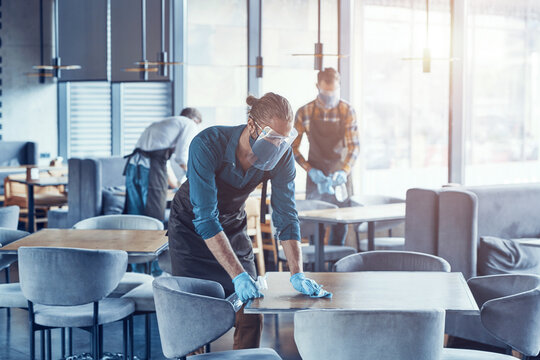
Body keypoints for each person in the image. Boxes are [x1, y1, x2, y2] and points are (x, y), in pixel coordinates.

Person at [168, 93, 326, 350]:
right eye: (273, 137)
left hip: (232, 224)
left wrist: (297, 272)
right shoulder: (208, 144)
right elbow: (206, 218)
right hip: (191, 227)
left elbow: (286, 215)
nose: (278, 146)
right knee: (194, 314)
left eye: (284, 139)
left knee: (251, 310)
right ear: (251, 125)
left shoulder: (282, 155)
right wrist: (237, 275)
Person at [292, 67, 360, 246]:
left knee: (340, 225)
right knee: (315, 225)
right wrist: (309, 169)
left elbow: (354, 147)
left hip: (340, 176)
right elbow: (292, 148)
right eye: (325, 91)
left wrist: (344, 172)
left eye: (333, 91)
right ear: (317, 86)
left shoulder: (347, 111)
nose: (330, 95)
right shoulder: (304, 112)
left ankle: (335, 268)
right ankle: (315, 268)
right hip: (316, 175)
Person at [124, 107, 202, 221]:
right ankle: (154, 239)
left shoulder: (167, 123)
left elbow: (164, 162)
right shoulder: (189, 124)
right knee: (154, 213)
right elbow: (181, 157)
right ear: (195, 120)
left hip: (133, 167)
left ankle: (134, 239)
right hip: (150, 169)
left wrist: (176, 185)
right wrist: (192, 175)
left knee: (134, 214)